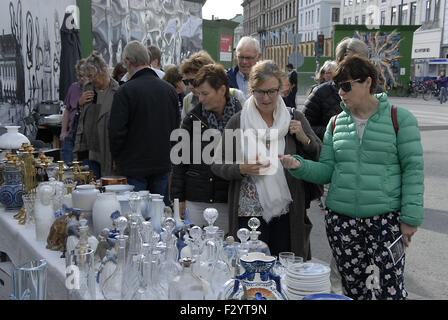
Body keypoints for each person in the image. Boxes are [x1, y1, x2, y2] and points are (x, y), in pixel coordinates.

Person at [279, 55, 424, 300]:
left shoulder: (400, 119)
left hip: (384, 222)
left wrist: (410, 219)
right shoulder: (336, 123)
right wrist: (299, 165)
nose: (341, 93)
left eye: (346, 86)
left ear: (367, 82)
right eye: (337, 87)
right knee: (353, 291)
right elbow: (326, 171)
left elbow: (413, 171)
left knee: (388, 291)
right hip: (342, 222)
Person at [211, 60, 322, 258]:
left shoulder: (294, 118)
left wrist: (304, 138)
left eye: (272, 91)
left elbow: (319, 155)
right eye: (259, 91)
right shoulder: (238, 121)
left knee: (285, 268)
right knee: (251, 271)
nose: (266, 97)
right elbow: (217, 164)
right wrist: (241, 168)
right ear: (251, 89)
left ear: (281, 89)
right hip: (248, 214)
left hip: (287, 212)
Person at [170, 64, 243, 233]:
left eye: (205, 93)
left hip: (228, 200)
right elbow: (179, 162)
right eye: (199, 93)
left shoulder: (243, 117)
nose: (200, 99)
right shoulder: (192, 118)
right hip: (196, 200)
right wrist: (178, 198)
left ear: (222, 90)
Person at [109, 41, 179, 206]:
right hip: (162, 163)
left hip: (134, 166)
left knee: (135, 216)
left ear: (127, 62)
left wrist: (117, 158)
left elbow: (116, 131)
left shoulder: (125, 91)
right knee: (159, 215)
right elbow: (176, 127)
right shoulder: (169, 90)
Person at [303, 37, 369, 142]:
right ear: (338, 63)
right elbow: (305, 127)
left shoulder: (375, 92)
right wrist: (334, 131)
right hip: (330, 153)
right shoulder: (321, 93)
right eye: (348, 64)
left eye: (359, 63)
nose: (354, 69)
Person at [73, 51, 119, 178]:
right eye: (89, 77)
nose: (91, 80)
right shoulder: (88, 89)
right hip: (88, 151)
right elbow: (82, 120)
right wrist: (80, 104)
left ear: (104, 70)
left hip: (107, 152)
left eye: (93, 76)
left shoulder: (117, 92)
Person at [180, 51, 245, 121]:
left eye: (194, 81)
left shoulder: (236, 96)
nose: (190, 86)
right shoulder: (188, 101)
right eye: (186, 82)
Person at [60, 58, 86, 164]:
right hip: (71, 136)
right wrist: (63, 131)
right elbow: (67, 110)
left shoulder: (94, 89)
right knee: (68, 168)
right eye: (79, 76)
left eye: (83, 76)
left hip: (84, 139)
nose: (81, 79)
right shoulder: (73, 87)